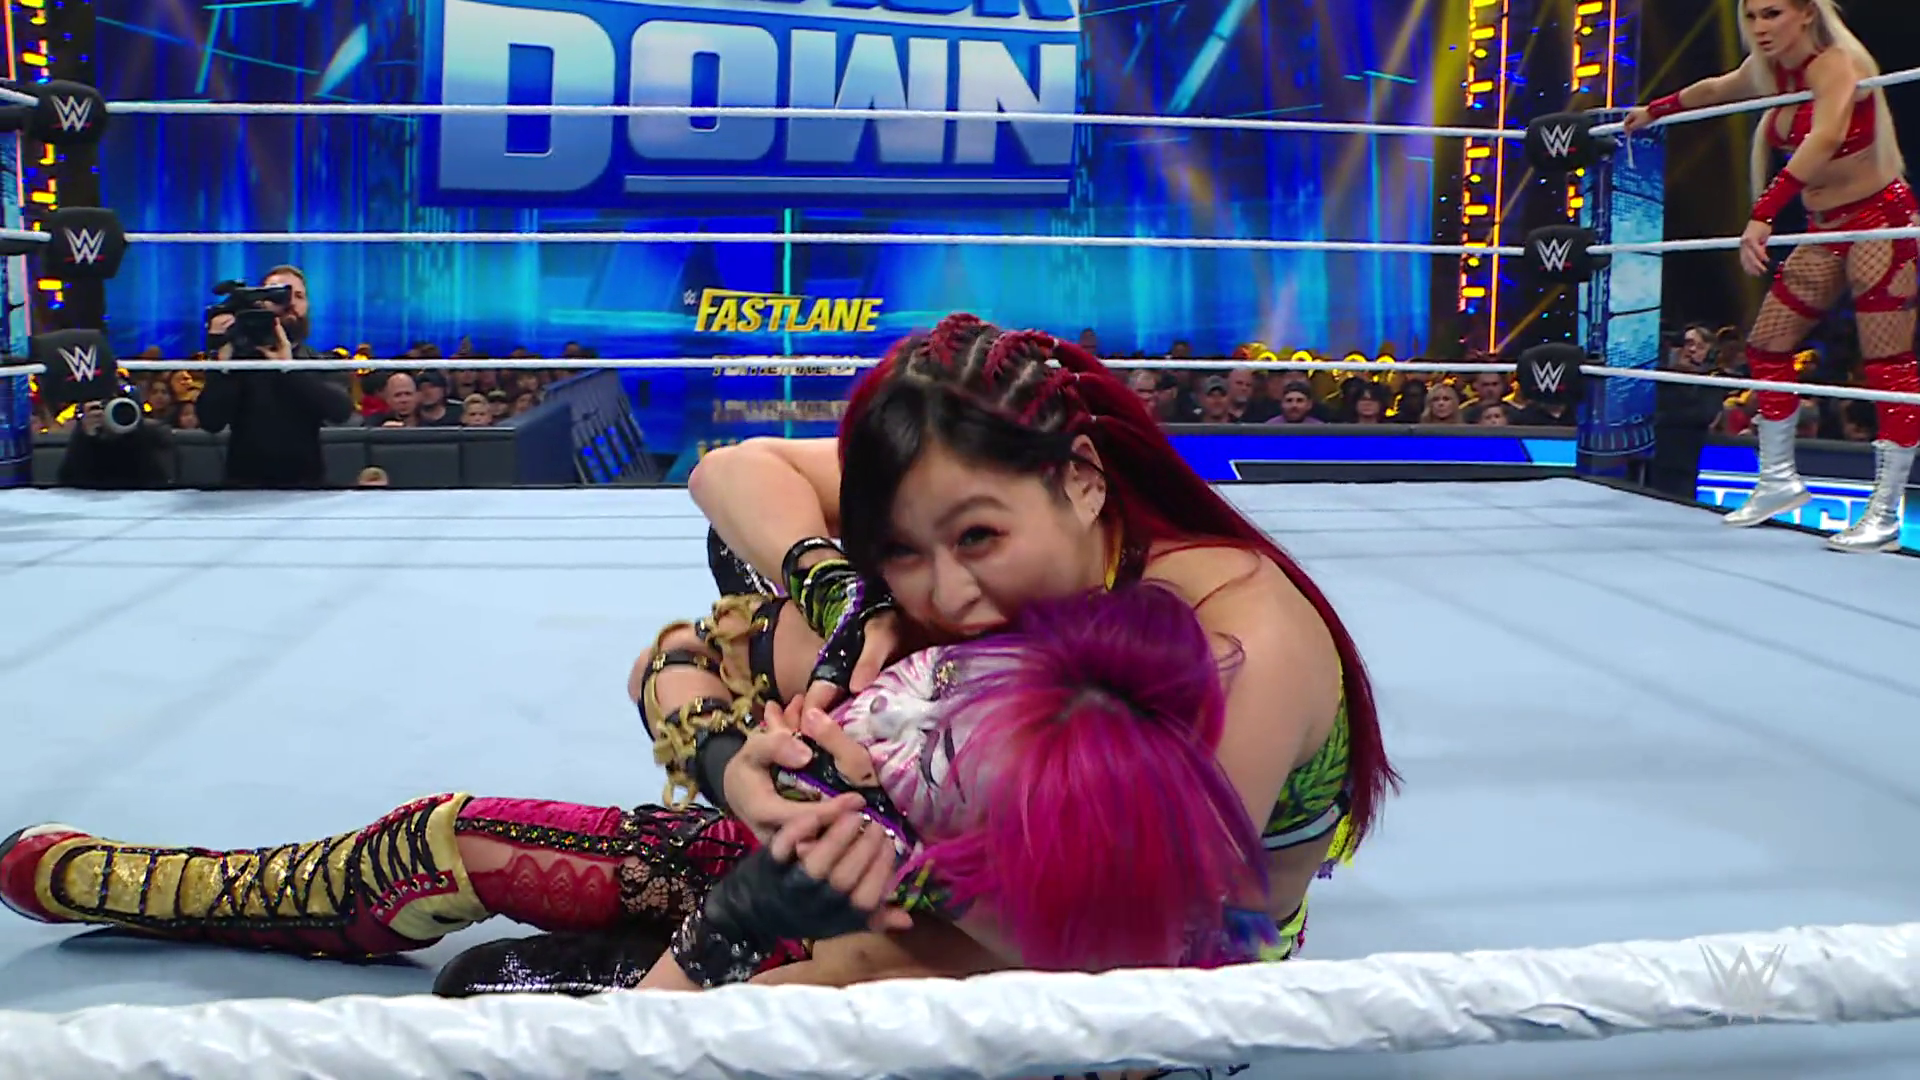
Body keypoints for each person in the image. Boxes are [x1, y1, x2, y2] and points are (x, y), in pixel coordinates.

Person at [0, 586, 1266, 985]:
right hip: (840, 879)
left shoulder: (943, 969)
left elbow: (651, 1056)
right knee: (453, 835)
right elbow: (682, 632)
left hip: (819, 961)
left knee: (489, 1001)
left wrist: (733, 933)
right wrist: (751, 742)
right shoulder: (1009, 666)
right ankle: (210, 890)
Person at [1623, 0, 1914, 552]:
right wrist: (1655, 110)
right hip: (1825, 226)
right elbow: (1715, 89)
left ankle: (1884, 513)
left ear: (1805, 13)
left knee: (1888, 367)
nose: (1759, 27)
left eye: (1772, 13)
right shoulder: (1769, 71)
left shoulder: (1836, 63)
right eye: (1752, 16)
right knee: (1766, 346)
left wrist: (1763, 213)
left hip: (1881, 220)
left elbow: (1825, 136)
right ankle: (1778, 480)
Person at [194, 266, 354, 488]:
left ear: (308, 306)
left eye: (298, 296)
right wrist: (222, 365)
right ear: (259, 303)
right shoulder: (239, 362)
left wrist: (288, 368)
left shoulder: (319, 361)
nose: (290, 302)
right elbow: (211, 421)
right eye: (278, 294)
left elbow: (340, 411)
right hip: (242, 489)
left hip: (306, 489)